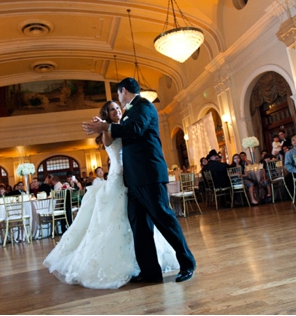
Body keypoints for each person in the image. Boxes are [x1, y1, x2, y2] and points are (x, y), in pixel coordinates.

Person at [45, 100, 179, 289]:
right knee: (119, 220)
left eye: (117, 108)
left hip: (135, 175)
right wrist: (105, 127)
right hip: (119, 177)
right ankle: (124, 263)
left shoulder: (127, 124)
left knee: (138, 221)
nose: (116, 111)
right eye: (111, 109)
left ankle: (146, 262)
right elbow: (108, 142)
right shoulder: (108, 129)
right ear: (107, 114)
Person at [82, 78, 196, 284]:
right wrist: (106, 128)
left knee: (164, 219)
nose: (118, 100)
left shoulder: (144, 106)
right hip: (133, 180)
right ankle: (150, 271)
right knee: (140, 227)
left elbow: (135, 130)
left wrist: (106, 126)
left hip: (149, 175)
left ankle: (187, 263)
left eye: (118, 95)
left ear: (122, 91)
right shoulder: (129, 113)